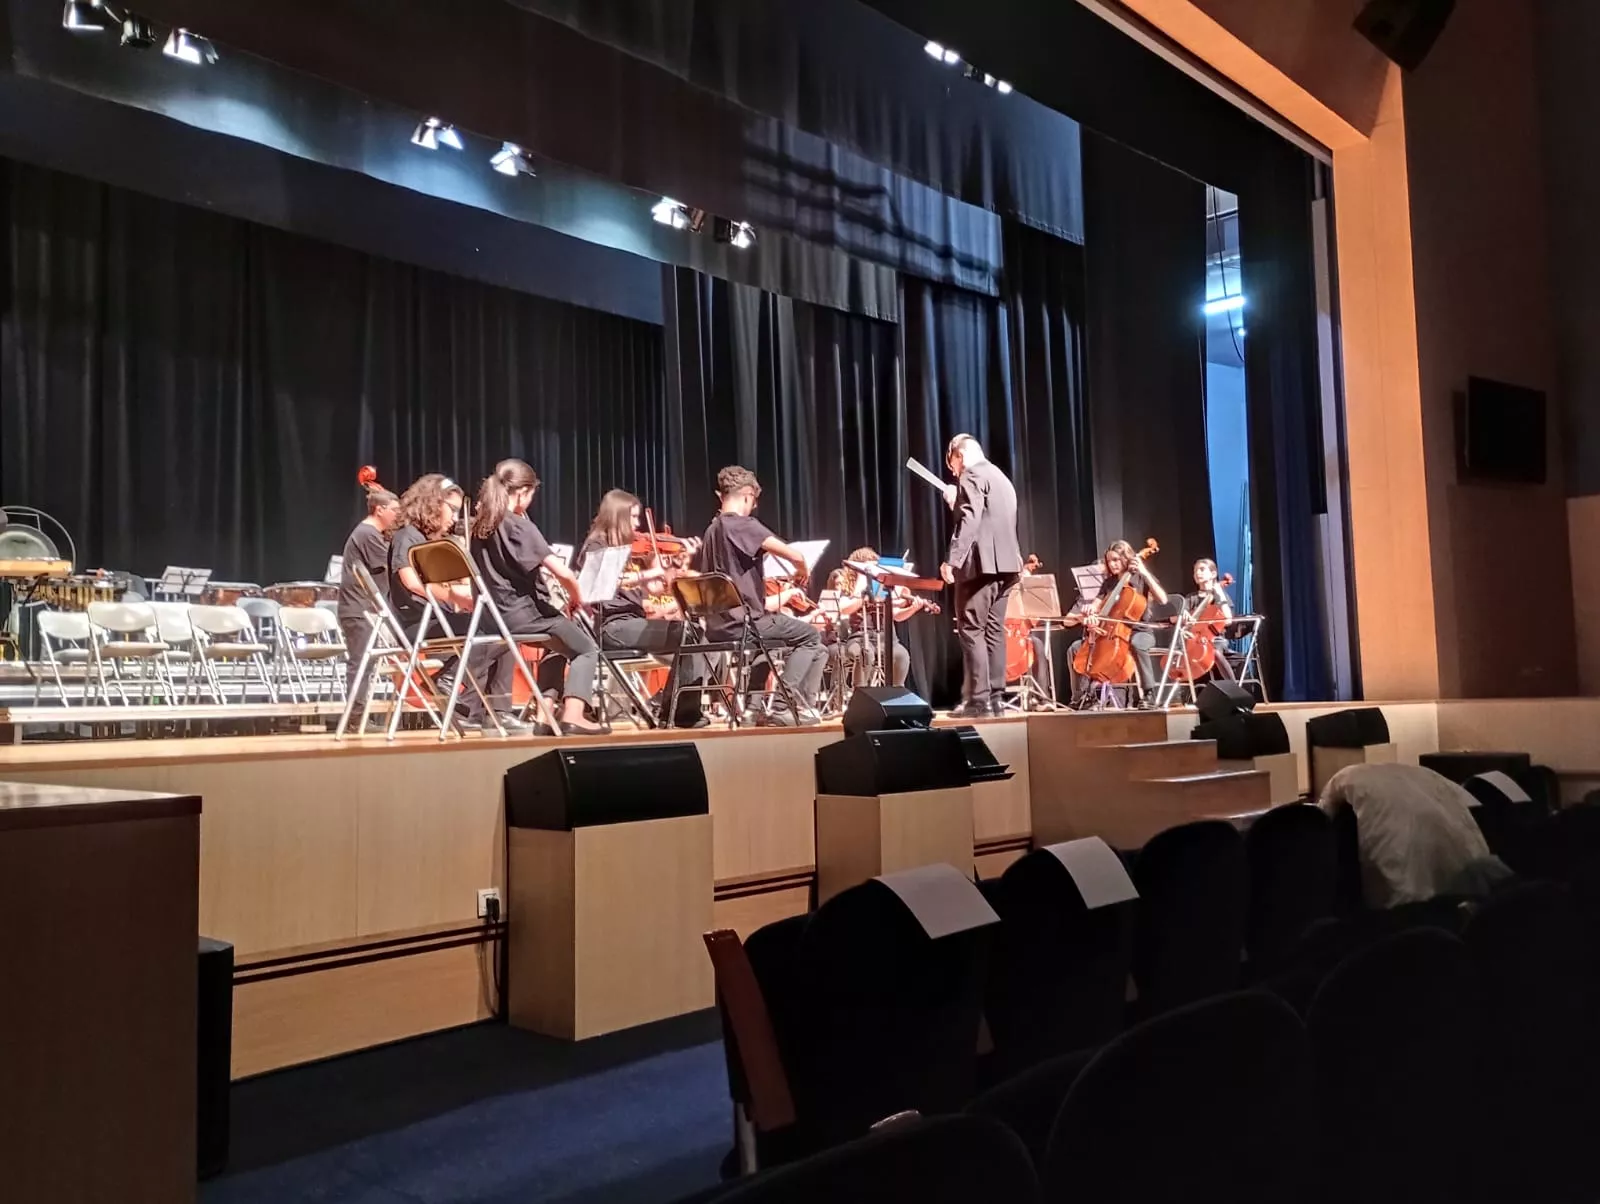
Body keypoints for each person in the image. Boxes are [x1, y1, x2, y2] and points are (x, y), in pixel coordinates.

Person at [471, 458, 604, 734]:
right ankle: (574, 716)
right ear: (522, 492)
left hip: (492, 618)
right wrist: (577, 598)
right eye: (531, 494)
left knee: (557, 645)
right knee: (587, 648)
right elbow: (563, 574)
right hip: (523, 615)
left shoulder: (480, 527)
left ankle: (544, 718)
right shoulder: (519, 526)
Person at [697, 465, 827, 726]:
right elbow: (795, 555)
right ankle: (782, 706)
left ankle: (751, 711)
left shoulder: (712, 530)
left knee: (766, 642)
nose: (752, 507)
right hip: (744, 623)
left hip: (718, 625)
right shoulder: (742, 524)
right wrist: (802, 569)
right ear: (747, 495)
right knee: (810, 637)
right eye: (753, 502)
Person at [574, 489, 706, 728]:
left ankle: (670, 706)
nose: (637, 525)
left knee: (700, 637)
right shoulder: (596, 545)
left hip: (634, 621)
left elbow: (654, 588)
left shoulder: (631, 549)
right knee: (689, 634)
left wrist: (672, 566)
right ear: (617, 516)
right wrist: (651, 572)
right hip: (612, 626)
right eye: (632, 518)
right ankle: (678, 712)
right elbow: (604, 584)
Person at [387, 474, 494, 726]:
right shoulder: (407, 536)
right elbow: (410, 581)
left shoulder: (423, 538)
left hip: (432, 619)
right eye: (452, 510)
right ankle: (450, 682)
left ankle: (483, 711)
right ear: (433, 503)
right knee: (486, 628)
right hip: (416, 625)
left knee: (491, 630)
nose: (455, 518)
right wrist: (451, 595)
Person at [938, 434, 1023, 718]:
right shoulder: (1001, 478)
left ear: (959, 456)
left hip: (980, 568)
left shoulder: (971, 476)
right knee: (994, 630)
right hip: (1008, 567)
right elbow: (993, 519)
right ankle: (996, 698)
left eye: (952, 465)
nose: (953, 472)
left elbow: (970, 520)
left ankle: (978, 701)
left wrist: (952, 560)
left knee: (971, 629)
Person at [1066, 540, 1160, 707]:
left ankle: (1149, 693)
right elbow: (1096, 604)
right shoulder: (1109, 583)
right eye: (1110, 560)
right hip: (1113, 632)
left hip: (1140, 631)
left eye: (1116, 559)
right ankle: (1085, 696)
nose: (1112, 564)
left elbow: (1163, 599)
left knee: (1137, 643)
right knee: (1077, 648)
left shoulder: (1140, 579)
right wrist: (1089, 610)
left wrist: (1145, 573)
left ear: (1126, 558)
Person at [336, 483, 401, 707]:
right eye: (395, 510)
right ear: (379, 509)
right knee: (360, 662)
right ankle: (354, 715)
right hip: (358, 608)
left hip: (362, 608)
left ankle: (357, 714)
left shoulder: (370, 534)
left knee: (365, 662)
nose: (397, 516)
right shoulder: (367, 534)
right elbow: (391, 566)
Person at [828, 548, 918, 688]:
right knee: (865, 654)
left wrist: (913, 607)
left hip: (886, 639)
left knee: (902, 656)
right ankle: (860, 694)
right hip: (860, 638)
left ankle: (895, 695)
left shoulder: (884, 590)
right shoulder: (850, 589)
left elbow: (897, 616)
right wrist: (862, 596)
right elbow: (844, 608)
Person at [1184, 558, 1237, 681]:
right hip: (1193, 639)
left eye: (1202, 569)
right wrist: (1184, 616)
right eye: (1195, 571)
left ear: (1213, 574)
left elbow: (1228, 619)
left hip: (1216, 639)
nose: (1198, 573)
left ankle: (1234, 687)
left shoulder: (1221, 595)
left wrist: (1219, 594)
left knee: (1213, 651)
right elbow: (1184, 621)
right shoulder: (1190, 598)